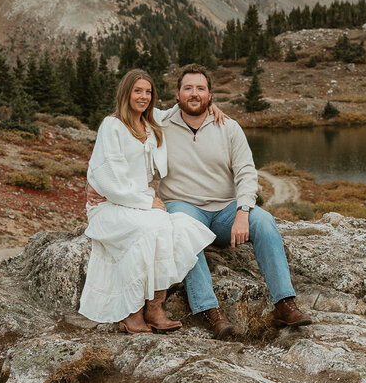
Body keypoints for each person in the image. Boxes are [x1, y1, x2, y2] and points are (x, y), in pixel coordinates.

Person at [156, 63, 311, 338]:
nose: (194, 94)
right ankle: (211, 313)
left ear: (210, 94)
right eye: (188, 88)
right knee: (182, 230)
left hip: (224, 211)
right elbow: (127, 113)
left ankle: (284, 304)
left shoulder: (228, 127)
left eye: (200, 89)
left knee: (263, 220)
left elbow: (246, 173)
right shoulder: (160, 125)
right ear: (177, 94)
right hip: (184, 207)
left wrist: (242, 212)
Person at [78, 70, 216, 333]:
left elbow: (183, 104)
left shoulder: (152, 120)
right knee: (151, 228)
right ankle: (131, 311)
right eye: (137, 91)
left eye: (148, 92)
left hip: (139, 204)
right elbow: (108, 181)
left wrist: (210, 102)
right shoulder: (112, 125)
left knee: (179, 227)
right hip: (109, 205)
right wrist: (146, 201)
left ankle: (154, 308)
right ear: (126, 93)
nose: (143, 96)